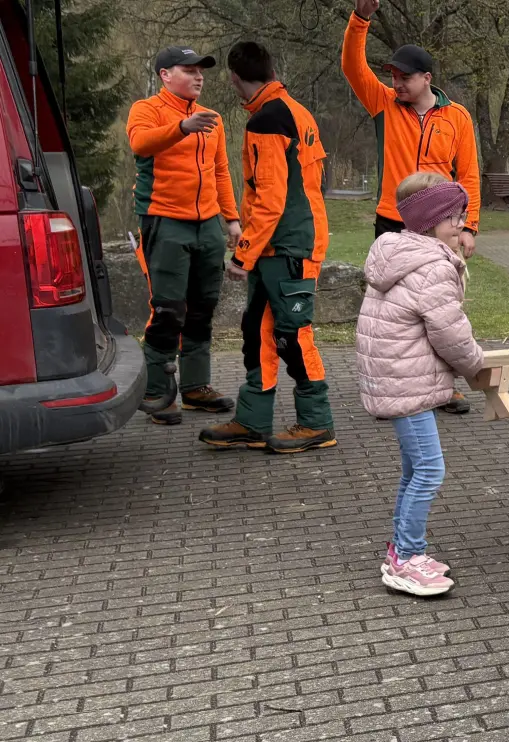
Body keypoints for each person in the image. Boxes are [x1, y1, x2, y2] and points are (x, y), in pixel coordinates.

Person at [197, 43, 337, 454]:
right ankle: (252, 420)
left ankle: (317, 423)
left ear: (234, 77)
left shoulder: (268, 121)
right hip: (283, 245)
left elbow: (270, 197)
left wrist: (243, 254)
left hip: (288, 247)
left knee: (294, 335)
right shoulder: (295, 111)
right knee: (257, 332)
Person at [343, 0, 479, 414]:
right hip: (393, 221)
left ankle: (444, 387)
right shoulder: (384, 104)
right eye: (394, 77)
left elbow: (469, 173)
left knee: (440, 306)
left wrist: (468, 225)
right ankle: (393, 384)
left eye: (405, 77)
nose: (397, 83)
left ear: (427, 79)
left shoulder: (456, 117)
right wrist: (360, 20)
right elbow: (352, 67)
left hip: (441, 227)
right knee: (393, 309)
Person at [355, 173, 484, 596]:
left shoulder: (399, 252)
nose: (461, 225)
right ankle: (408, 559)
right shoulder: (432, 266)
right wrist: (475, 365)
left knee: (416, 468)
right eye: (453, 217)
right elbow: (450, 331)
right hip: (403, 380)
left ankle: (402, 549)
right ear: (429, 221)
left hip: (395, 375)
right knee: (429, 469)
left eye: (462, 216)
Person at [126, 46, 242, 426]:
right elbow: (140, 144)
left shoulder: (213, 118)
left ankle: (195, 388)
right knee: (168, 309)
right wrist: (180, 128)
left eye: (201, 71)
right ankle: (156, 391)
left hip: (208, 222)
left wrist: (232, 219)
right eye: (188, 70)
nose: (198, 76)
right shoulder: (147, 110)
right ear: (165, 75)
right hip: (164, 220)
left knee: (202, 305)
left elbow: (221, 171)